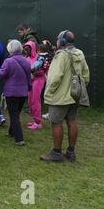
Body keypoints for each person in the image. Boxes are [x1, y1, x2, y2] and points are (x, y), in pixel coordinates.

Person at [40, 30, 89, 163]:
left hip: (60, 97)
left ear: (62, 41)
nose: (56, 41)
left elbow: (54, 78)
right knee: (71, 121)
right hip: (75, 96)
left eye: (58, 39)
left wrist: (49, 93)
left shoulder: (61, 55)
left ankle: (56, 153)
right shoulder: (80, 53)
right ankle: (71, 152)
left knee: (56, 122)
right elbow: (86, 76)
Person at [0, 40, 32, 145]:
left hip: (12, 92)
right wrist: (29, 88)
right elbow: (29, 77)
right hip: (23, 92)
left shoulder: (8, 61)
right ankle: (11, 132)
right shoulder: (26, 61)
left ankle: (19, 139)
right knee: (16, 113)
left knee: (14, 115)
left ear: (9, 49)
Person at [23, 41, 47, 130]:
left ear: (32, 49)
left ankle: (38, 123)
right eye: (25, 49)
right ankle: (35, 120)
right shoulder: (26, 58)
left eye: (28, 49)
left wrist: (32, 70)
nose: (26, 51)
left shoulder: (39, 58)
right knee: (30, 101)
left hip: (38, 80)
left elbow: (39, 67)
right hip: (30, 80)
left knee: (35, 100)